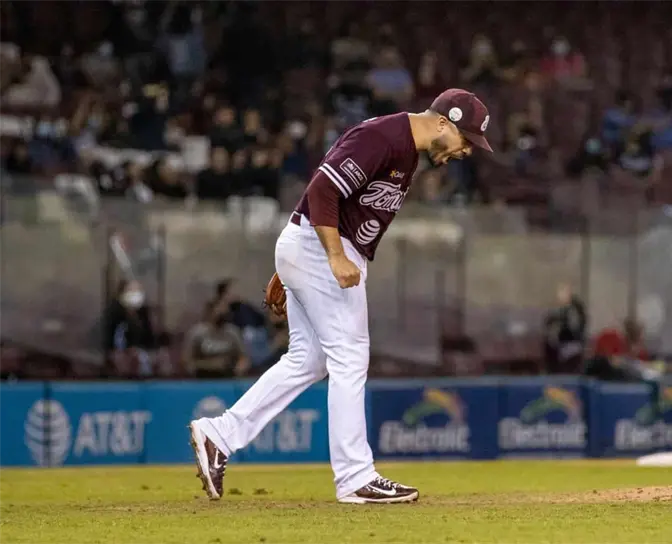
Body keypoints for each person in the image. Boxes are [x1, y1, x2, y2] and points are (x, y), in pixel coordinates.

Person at [189, 88, 492, 504]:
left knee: (308, 360)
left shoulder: (406, 151)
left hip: (311, 246)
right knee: (349, 356)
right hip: (325, 248)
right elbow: (321, 192)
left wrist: (291, 265)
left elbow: (332, 197)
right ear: (443, 123)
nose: (467, 151)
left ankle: (219, 434)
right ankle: (354, 476)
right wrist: (329, 257)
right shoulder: (385, 137)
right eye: (467, 140)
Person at [182, 300, 249, 378]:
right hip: (202, 376)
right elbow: (186, 359)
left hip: (228, 375)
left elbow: (243, 358)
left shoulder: (233, 332)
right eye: (218, 310)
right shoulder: (197, 332)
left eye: (224, 310)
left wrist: (239, 369)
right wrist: (206, 365)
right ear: (210, 312)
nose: (222, 313)